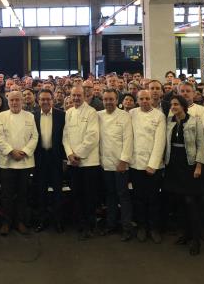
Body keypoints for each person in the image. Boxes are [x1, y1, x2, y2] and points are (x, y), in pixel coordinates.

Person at [164, 95, 204, 256]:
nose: (173, 106)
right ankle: (185, 234)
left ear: (183, 106)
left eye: (176, 104)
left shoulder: (194, 121)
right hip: (173, 165)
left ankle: (196, 239)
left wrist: (199, 165)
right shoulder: (170, 122)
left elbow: (201, 145)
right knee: (180, 202)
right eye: (172, 104)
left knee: (191, 203)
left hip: (189, 165)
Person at [0, 90, 38, 236]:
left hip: (24, 162)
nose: (14, 103)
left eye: (17, 100)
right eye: (12, 100)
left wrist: (24, 151)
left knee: (22, 194)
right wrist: (12, 151)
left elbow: (34, 138)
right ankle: (6, 222)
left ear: (22, 101)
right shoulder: (1, 116)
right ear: (8, 101)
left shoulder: (29, 116)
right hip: (7, 162)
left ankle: (20, 222)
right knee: (6, 195)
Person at [64, 85, 100, 240]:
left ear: (84, 96)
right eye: (74, 96)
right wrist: (70, 154)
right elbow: (65, 136)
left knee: (89, 196)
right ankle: (80, 223)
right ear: (71, 97)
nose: (76, 98)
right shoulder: (69, 112)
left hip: (89, 163)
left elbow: (92, 137)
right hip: (73, 162)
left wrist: (77, 154)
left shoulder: (92, 112)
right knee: (77, 194)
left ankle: (90, 225)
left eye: (79, 95)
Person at [129, 89, 166, 243]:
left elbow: (160, 142)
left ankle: (154, 228)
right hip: (135, 163)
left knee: (153, 199)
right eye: (141, 98)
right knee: (138, 198)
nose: (144, 101)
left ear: (152, 99)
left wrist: (153, 164)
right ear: (137, 100)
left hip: (153, 165)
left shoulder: (159, 115)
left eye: (147, 98)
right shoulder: (131, 113)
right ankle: (142, 227)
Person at [98, 89, 134, 240]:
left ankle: (127, 228)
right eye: (105, 99)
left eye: (111, 99)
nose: (108, 102)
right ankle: (111, 225)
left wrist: (124, 160)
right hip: (105, 163)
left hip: (120, 164)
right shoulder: (98, 115)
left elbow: (128, 139)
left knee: (123, 196)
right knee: (110, 196)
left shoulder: (125, 116)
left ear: (117, 100)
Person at [33, 88, 66, 233]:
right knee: (41, 192)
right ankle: (41, 220)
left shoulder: (61, 115)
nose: (45, 101)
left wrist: (65, 159)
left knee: (58, 192)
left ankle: (58, 221)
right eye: (42, 99)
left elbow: (66, 138)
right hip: (39, 159)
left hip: (56, 158)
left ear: (52, 100)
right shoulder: (33, 116)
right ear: (38, 101)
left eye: (48, 99)